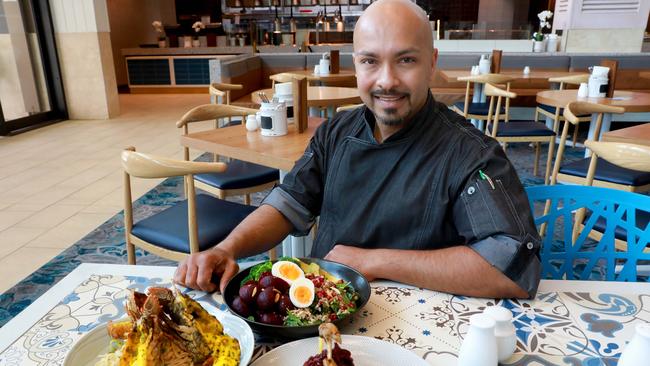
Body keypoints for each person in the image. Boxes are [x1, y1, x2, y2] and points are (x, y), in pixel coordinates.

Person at [174, 0, 541, 299]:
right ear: (356, 65)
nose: (386, 80)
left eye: (406, 60)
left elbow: (510, 266)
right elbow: (289, 202)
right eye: (370, 61)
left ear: (432, 63)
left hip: (415, 320)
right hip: (323, 310)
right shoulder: (336, 131)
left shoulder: (470, 152)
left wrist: (374, 262)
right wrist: (229, 248)